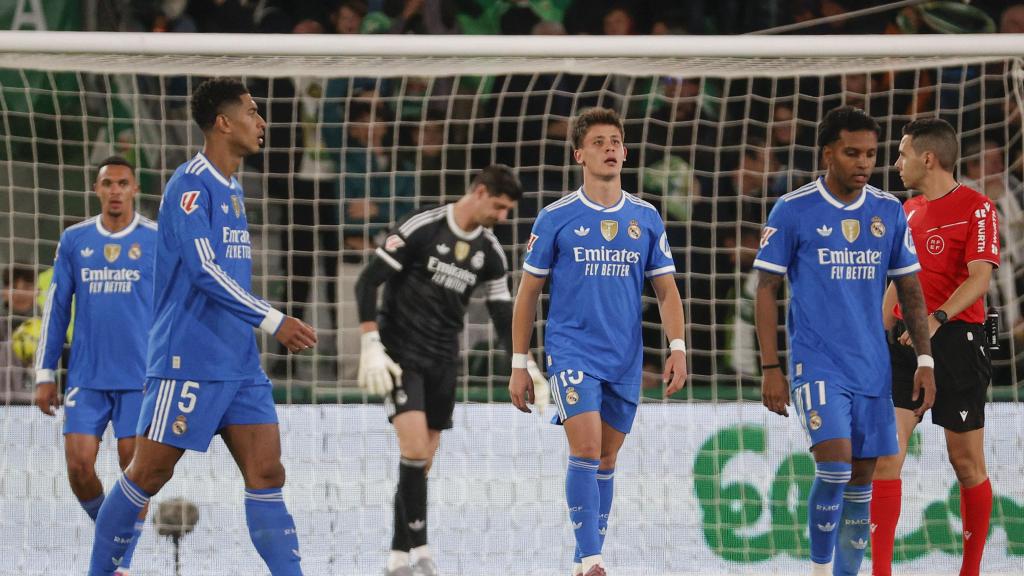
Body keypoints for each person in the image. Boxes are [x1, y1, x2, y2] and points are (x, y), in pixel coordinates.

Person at [86, 77, 317, 576]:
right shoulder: (189, 185)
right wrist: (273, 318)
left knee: (267, 472)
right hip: (187, 359)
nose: (262, 122)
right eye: (253, 112)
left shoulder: (233, 188)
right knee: (148, 473)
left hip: (239, 363)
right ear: (223, 122)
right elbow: (204, 270)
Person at [753, 106, 936, 576]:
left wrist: (925, 360)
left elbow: (911, 292)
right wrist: (771, 368)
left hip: (872, 368)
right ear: (827, 153)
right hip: (817, 365)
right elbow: (767, 289)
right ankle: (818, 570)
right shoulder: (793, 209)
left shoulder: (888, 211)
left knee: (861, 483)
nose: (864, 162)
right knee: (834, 467)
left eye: (872, 154)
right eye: (852, 153)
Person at [509, 107, 688, 576]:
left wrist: (677, 348)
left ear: (625, 153)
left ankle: (582, 556)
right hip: (572, 352)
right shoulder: (556, 218)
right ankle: (592, 559)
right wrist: (517, 362)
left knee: (607, 458)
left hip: (625, 358)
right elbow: (528, 292)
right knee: (586, 450)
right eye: (599, 142)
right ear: (579, 156)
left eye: (615, 141)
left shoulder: (646, 218)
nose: (609, 148)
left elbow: (666, 289)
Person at [354, 164, 535, 576]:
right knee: (415, 449)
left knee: (421, 462)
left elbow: (501, 310)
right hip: (401, 353)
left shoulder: (489, 251)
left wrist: (523, 361)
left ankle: (397, 558)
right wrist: (369, 342)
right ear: (480, 191)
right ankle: (421, 552)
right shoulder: (424, 226)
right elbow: (367, 282)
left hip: (443, 361)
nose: (503, 217)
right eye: (501, 207)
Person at [871, 118, 998, 576]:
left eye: (902, 154)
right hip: (906, 343)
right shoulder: (907, 211)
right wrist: (875, 332)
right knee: (889, 454)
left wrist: (937, 317)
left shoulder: (978, 208)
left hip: (958, 343)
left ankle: (970, 571)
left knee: (965, 463)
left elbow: (981, 277)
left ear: (928, 158)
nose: (896, 163)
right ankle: (880, 571)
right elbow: (899, 282)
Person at [33, 156, 156, 575]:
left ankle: (118, 563)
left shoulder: (157, 240)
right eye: (108, 184)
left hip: (139, 378)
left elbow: (174, 306)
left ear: (135, 189)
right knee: (79, 467)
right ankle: (115, 545)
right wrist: (45, 373)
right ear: (96, 189)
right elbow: (56, 308)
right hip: (86, 376)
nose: (116, 191)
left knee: (133, 472)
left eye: (123, 183)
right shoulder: (74, 240)